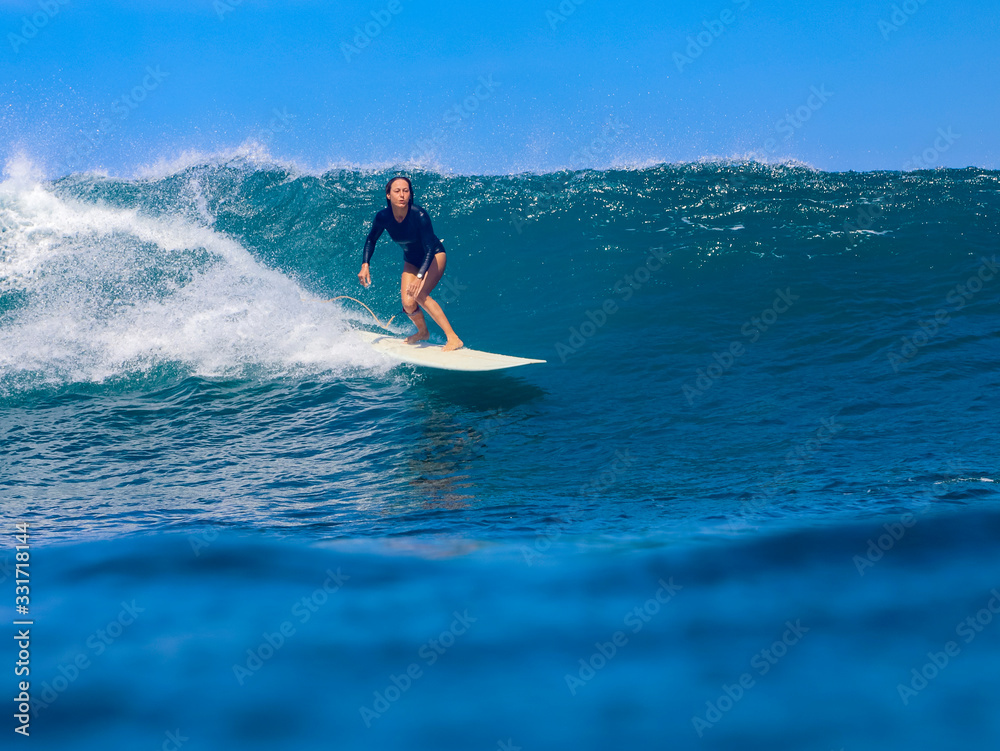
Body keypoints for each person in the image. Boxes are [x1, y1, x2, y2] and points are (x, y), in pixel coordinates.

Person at [358, 176, 464, 351]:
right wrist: (365, 264)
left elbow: (429, 248)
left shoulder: (419, 215)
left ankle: (453, 338)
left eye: (405, 191)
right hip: (411, 260)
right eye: (397, 191)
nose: (402, 195)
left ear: (410, 194)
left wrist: (420, 277)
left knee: (420, 294)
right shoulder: (383, 217)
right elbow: (371, 239)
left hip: (434, 256)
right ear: (388, 195)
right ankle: (423, 332)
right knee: (408, 304)